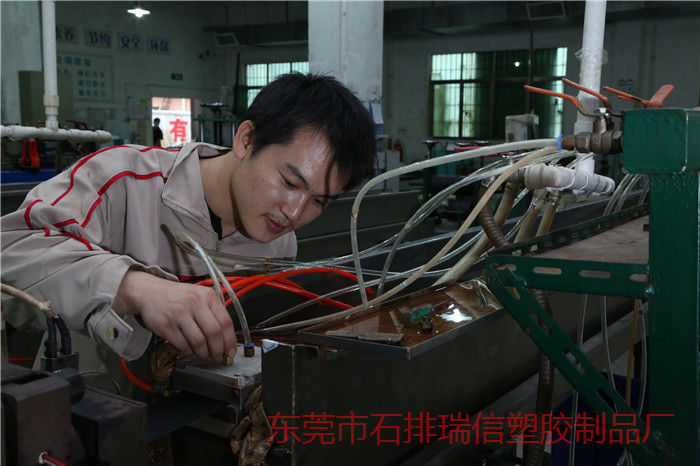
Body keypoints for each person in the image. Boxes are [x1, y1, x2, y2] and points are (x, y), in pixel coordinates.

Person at [1, 73, 376, 364]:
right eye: (290, 182)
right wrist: (135, 288)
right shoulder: (121, 181)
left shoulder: (278, 239)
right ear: (246, 140)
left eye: (319, 201)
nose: (294, 212)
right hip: (92, 408)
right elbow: (10, 253)